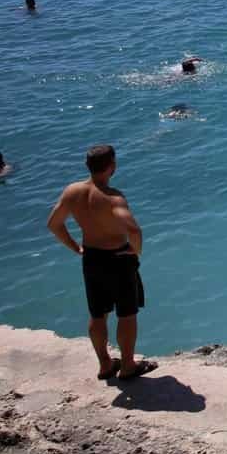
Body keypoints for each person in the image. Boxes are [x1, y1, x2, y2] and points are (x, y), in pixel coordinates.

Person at [46, 144, 155, 380]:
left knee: (98, 314)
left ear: (88, 165)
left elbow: (53, 224)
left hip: (91, 258)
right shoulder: (113, 197)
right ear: (112, 166)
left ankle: (105, 365)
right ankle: (127, 365)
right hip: (118, 259)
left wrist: (76, 247)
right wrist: (135, 251)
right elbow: (134, 230)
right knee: (126, 314)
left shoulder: (72, 191)